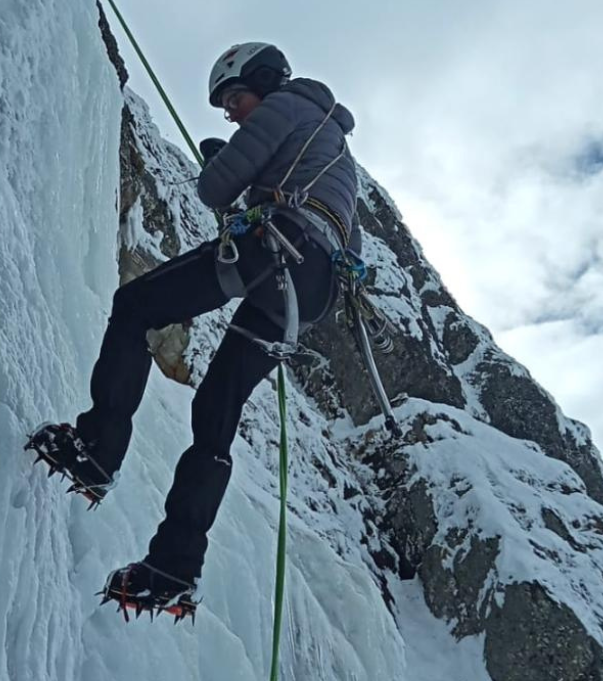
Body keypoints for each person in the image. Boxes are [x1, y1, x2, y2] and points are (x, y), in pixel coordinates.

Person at [26, 42, 361, 622]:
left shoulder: (287, 106)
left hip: (274, 247)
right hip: (305, 293)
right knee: (215, 418)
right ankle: (174, 567)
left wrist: (222, 162)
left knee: (135, 307)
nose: (231, 113)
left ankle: (96, 450)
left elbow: (215, 188)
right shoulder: (336, 151)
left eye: (235, 99)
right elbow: (348, 246)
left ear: (262, 82)